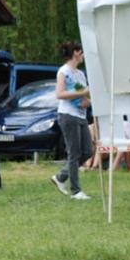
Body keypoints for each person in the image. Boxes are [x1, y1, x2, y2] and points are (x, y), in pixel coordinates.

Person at [49, 40, 93, 200]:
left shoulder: (81, 74)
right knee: (74, 153)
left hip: (81, 115)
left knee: (88, 151)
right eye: (81, 52)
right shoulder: (64, 71)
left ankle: (61, 176)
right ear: (75, 52)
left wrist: (88, 100)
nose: (83, 55)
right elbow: (60, 94)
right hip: (68, 115)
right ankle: (76, 191)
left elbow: (84, 96)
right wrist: (83, 93)